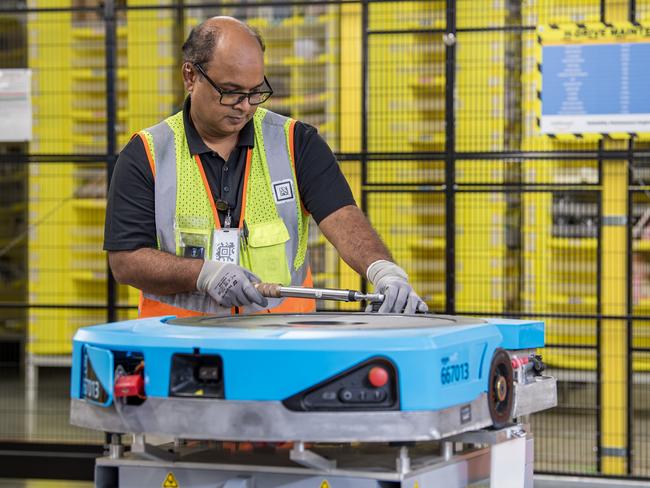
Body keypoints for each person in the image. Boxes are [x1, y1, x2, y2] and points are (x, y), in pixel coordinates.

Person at [104, 16, 427, 318]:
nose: (245, 106)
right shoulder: (148, 153)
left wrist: (382, 270)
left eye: (255, 91)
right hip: (182, 350)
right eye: (230, 92)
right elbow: (126, 260)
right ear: (191, 76)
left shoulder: (295, 142)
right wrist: (202, 274)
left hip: (283, 345)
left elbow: (342, 218)